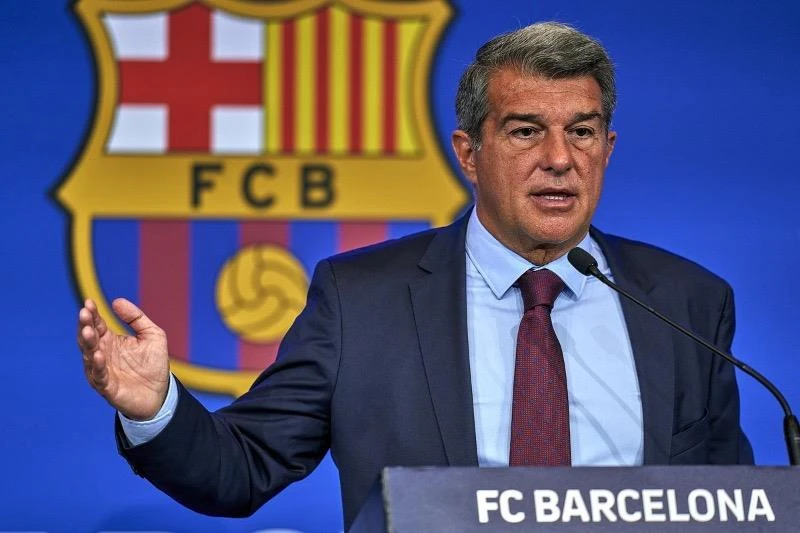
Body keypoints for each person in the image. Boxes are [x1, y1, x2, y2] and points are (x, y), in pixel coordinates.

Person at [78, 21, 753, 530]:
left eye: (582, 131)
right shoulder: (360, 300)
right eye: (525, 131)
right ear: (469, 152)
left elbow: (727, 502)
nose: (559, 158)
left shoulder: (688, 302)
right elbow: (241, 468)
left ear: (607, 147)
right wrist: (155, 408)